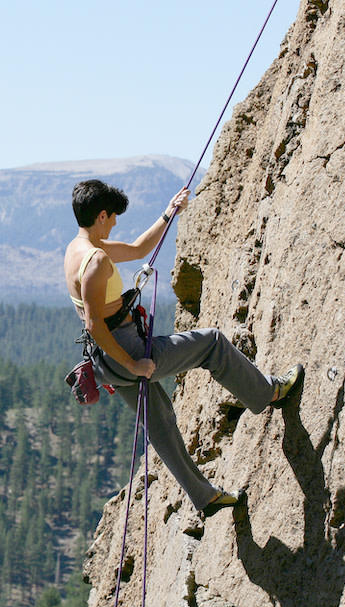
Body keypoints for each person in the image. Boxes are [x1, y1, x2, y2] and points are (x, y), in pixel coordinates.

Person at [64, 179, 303, 517]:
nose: (115, 223)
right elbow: (94, 324)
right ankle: (268, 392)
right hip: (127, 352)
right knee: (212, 344)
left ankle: (205, 497)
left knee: (160, 424)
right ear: (101, 215)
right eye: (113, 217)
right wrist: (133, 365)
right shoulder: (97, 260)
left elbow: (138, 249)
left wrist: (168, 213)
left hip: (105, 361)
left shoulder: (77, 250)